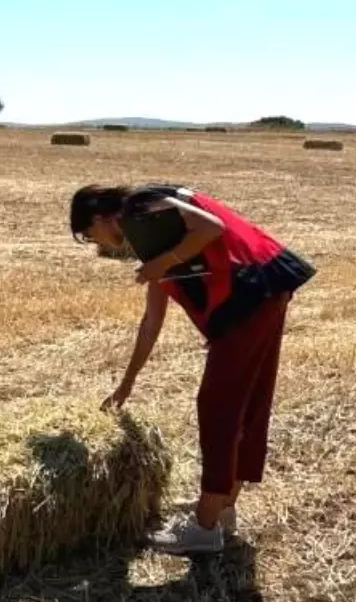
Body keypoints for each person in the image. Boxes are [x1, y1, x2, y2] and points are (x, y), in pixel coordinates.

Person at [70, 183, 315, 555]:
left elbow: (211, 226)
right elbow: (151, 323)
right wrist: (127, 384)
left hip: (249, 293)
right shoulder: (152, 237)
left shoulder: (140, 206)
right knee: (247, 401)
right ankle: (222, 507)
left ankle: (203, 528)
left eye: (91, 236)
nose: (99, 244)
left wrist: (162, 263)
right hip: (264, 287)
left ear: (101, 217)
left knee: (218, 407)